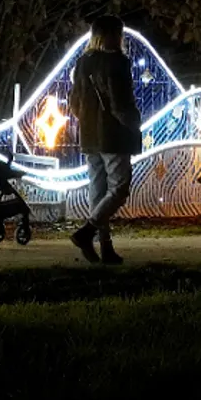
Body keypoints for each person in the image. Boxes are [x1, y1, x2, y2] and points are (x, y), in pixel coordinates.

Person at [67, 15, 142, 264]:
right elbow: (120, 102)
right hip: (113, 134)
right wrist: (133, 126)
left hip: (89, 134)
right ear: (114, 35)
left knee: (98, 191)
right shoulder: (117, 62)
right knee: (119, 188)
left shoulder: (82, 62)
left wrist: (86, 120)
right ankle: (86, 233)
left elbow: (74, 101)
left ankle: (106, 248)